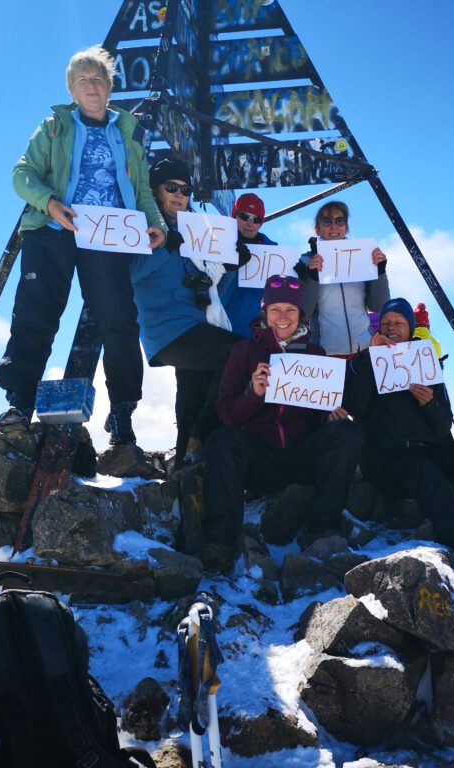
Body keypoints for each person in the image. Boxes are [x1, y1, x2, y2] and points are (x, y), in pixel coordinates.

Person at [0, 46, 167, 444]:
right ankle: (19, 401)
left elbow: (141, 189)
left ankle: (122, 412)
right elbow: (22, 174)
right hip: (55, 229)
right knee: (36, 312)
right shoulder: (54, 127)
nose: (92, 86)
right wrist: (49, 203)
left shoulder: (126, 134)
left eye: (99, 79)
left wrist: (156, 224)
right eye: (83, 80)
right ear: (72, 90)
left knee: (119, 319)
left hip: (109, 235)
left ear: (110, 89)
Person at [199, 276, 362, 572]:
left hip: (302, 458)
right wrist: (253, 394)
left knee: (347, 432)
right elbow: (226, 414)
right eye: (275, 309)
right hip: (260, 459)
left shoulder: (316, 355)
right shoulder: (244, 351)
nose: (283, 317)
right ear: (264, 313)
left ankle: (322, 527)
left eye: (291, 309)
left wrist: (331, 416)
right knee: (221, 440)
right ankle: (220, 541)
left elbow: (321, 413)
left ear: (302, 314)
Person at [343, 297, 454, 564]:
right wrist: (371, 359)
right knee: (424, 472)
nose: (392, 327)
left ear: (411, 327)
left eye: (399, 322)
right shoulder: (365, 361)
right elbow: (355, 406)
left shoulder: (425, 360)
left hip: (430, 451)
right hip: (387, 462)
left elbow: (443, 425)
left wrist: (429, 403)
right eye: (385, 323)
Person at [130, 158, 248, 469]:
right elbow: (131, 273)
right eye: (171, 187)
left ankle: (185, 463)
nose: (180, 194)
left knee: (193, 393)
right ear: (155, 191)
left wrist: (232, 269)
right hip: (167, 331)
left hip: (197, 325)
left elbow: (211, 293)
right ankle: (203, 434)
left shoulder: (194, 232)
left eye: (185, 189)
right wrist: (166, 245)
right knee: (240, 352)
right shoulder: (141, 225)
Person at [296, 201, 390, 357]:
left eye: (340, 221)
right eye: (327, 222)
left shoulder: (363, 256)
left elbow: (378, 305)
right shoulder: (304, 262)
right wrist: (312, 276)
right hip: (326, 353)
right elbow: (304, 312)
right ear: (317, 229)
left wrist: (380, 271)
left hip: (365, 349)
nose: (334, 226)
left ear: (346, 227)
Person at [218, 192, 277, 334]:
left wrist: (300, 274)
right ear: (234, 216)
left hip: (259, 335)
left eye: (256, 219)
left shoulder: (275, 253)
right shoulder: (216, 245)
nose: (250, 223)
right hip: (220, 328)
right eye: (244, 216)